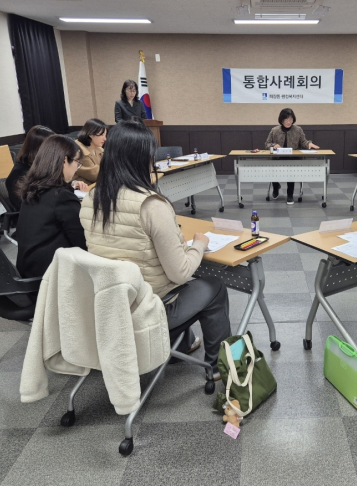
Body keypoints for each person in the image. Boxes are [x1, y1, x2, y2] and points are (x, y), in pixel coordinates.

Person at [79, 120, 231, 378]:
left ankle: (180, 347)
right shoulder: (151, 205)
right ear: (142, 159)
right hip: (147, 309)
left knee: (171, 281)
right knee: (213, 287)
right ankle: (218, 368)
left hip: (108, 305)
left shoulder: (92, 198)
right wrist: (199, 244)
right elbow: (180, 273)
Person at [15, 135, 87, 279]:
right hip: (50, 274)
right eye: (77, 163)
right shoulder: (61, 197)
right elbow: (82, 242)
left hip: (27, 268)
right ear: (65, 160)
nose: (77, 169)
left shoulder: (32, 188)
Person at [264, 108, 320, 205]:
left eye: (290, 119)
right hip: (278, 158)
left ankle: (290, 194)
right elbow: (267, 144)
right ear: (281, 120)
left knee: (291, 172)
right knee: (272, 169)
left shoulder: (298, 130)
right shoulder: (274, 130)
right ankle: (276, 186)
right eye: (286, 119)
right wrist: (274, 145)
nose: (288, 122)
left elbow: (303, 142)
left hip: (293, 158)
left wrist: (309, 144)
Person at [6, 125, 55, 211]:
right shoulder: (19, 174)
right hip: (35, 215)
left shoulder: (41, 166)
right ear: (40, 149)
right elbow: (25, 206)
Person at [74, 118, 107, 185]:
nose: (105, 139)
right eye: (101, 135)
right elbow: (95, 175)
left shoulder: (99, 148)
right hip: (81, 188)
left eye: (105, 135)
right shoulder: (78, 150)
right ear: (91, 134)